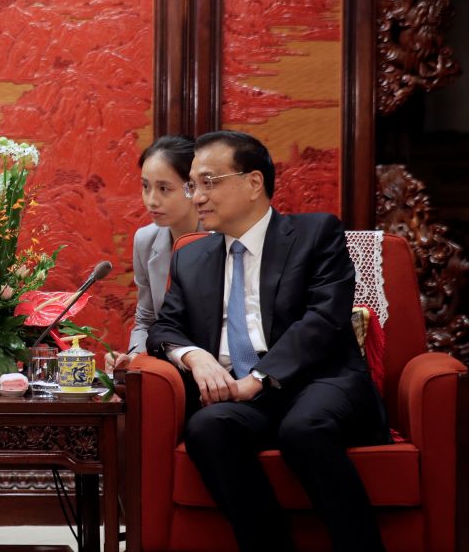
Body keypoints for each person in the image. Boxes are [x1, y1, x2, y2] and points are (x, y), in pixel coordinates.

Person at [147, 131, 388, 552]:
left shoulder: (316, 234)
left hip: (319, 381)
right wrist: (195, 356)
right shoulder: (192, 256)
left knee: (303, 429)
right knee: (207, 427)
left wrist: (258, 377)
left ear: (253, 182)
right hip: (242, 396)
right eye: (192, 185)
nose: (196, 196)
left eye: (208, 182)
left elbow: (323, 319)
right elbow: (164, 328)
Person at [105, 135, 198, 372]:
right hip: (168, 365)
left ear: (192, 188)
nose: (151, 200)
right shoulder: (145, 240)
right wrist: (133, 358)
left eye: (164, 189)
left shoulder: (221, 238)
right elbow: (146, 320)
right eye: (146, 186)